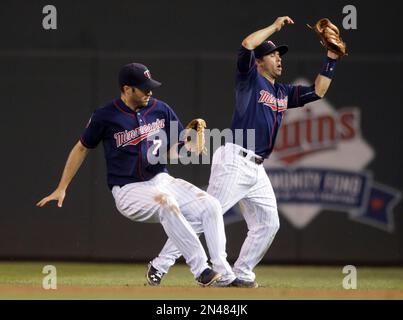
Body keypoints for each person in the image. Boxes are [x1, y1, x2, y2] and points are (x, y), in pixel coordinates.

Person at [147, 16, 341, 288]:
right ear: (259, 61)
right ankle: (160, 264)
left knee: (268, 224)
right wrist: (274, 27)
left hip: (257, 168)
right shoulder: (248, 79)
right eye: (272, 55)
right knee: (205, 216)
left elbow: (318, 91)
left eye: (279, 55)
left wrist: (331, 58)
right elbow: (248, 44)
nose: (279, 59)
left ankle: (242, 272)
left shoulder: (282, 92)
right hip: (235, 159)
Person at [36, 62, 237, 287]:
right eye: (143, 87)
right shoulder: (105, 116)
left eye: (150, 85)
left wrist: (191, 146)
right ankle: (201, 270)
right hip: (128, 189)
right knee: (166, 203)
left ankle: (224, 273)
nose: (149, 91)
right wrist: (62, 186)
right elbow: (81, 148)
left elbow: (175, 150)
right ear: (127, 89)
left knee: (211, 205)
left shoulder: (161, 109)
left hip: (160, 178)